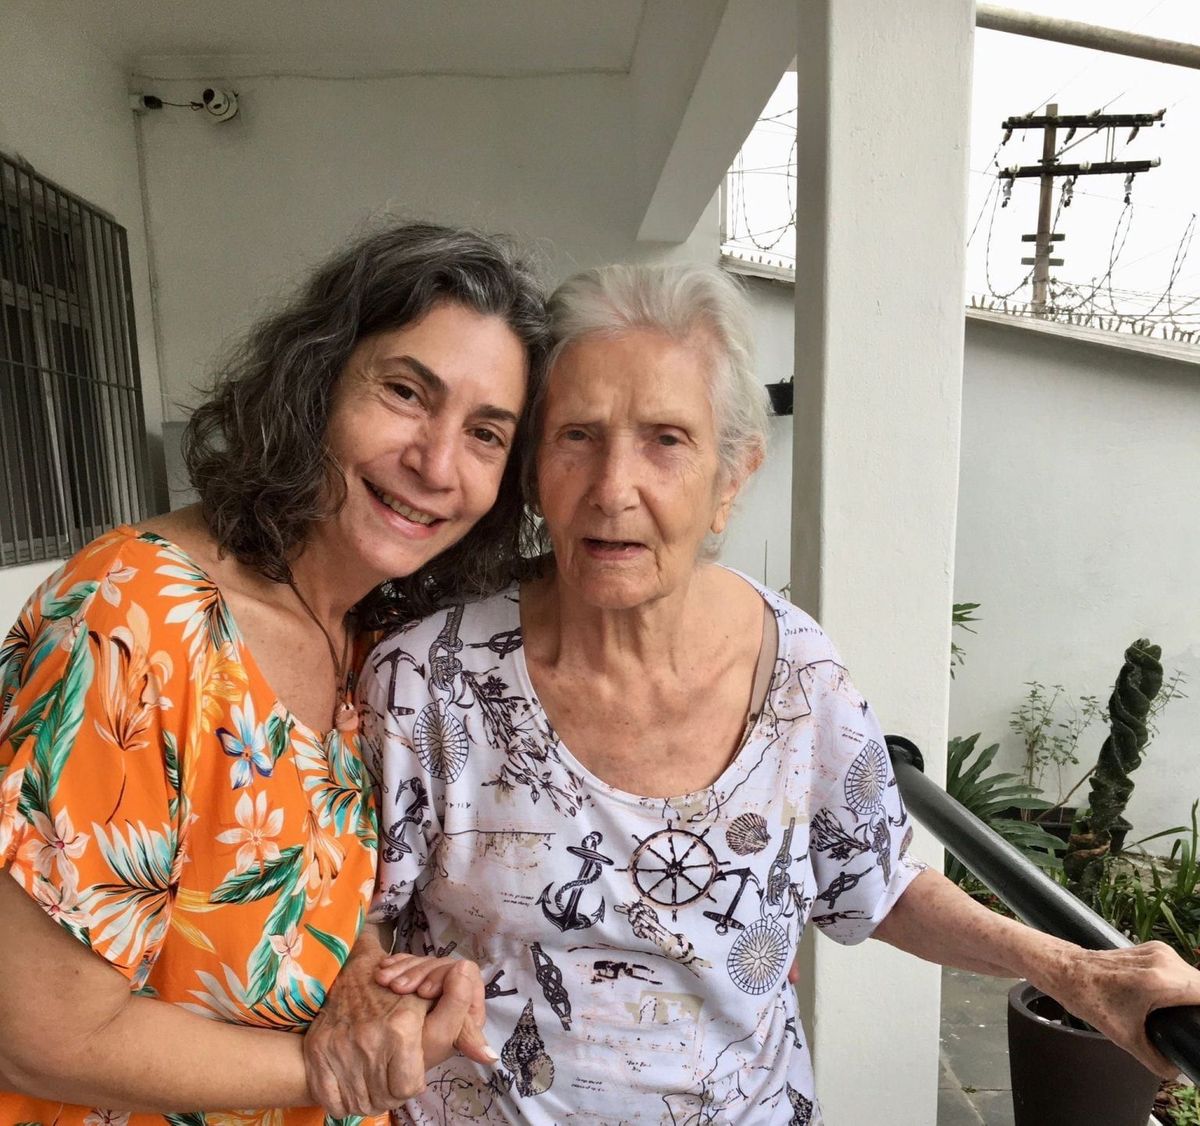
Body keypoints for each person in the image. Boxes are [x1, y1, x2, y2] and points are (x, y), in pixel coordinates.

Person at [327, 262, 1200, 1124]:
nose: (612, 488)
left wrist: (1078, 972)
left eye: (666, 441)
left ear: (732, 477)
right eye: (578, 436)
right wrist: (364, 991)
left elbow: (876, 878)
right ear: (535, 469)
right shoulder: (426, 682)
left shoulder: (795, 670)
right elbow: (347, 914)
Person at [0, 221, 551, 1124]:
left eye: (486, 435)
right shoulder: (135, 621)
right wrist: (349, 1068)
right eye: (407, 392)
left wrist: (370, 979)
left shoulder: (370, 637)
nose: (436, 463)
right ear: (315, 383)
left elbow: (300, 897)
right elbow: (40, 1034)